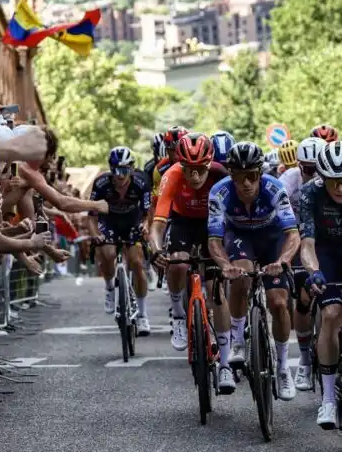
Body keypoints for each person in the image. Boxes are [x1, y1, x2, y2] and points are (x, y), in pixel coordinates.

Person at [207, 141, 300, 400]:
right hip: (239, 237)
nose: (246, 182)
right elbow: (214, 240)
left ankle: (282, 368)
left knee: (279, 302)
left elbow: (292, 235)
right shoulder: (219, 192)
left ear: (260, 174)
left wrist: (282, 260)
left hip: (272, 238)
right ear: (231, 176)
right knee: (240, 275)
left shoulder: (275, 188)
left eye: (252, 176)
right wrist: (225, 266)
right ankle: (238, 339)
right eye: (239, 176)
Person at [150, 133, 233, 392]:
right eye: (189, 170)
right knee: (177, 263)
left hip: (212, 224)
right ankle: (177, 312)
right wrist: (155, 250)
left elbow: (233, 216)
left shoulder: (221, 175)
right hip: (183, 221)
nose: (195, 177)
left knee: (216, 290)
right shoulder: (172, 175)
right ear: (180, 165)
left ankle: (226, 364)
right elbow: (158, 224)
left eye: (200, 171)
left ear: (209, 164)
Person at [299, 141, 342, 429]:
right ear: (322, 178)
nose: (339, 188)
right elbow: (307, 244)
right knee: (331, 314)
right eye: (333, 182)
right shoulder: (309, 193)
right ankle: (327, 401)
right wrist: (314, 271)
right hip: (325, 253)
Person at [89, 146, 152, 335]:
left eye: (124, 170)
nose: (120, 175)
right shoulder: (100, 184)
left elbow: (149, 213)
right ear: (110, 169)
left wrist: (146, 225)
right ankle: (109, 286)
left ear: (132, 169)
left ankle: (142, 315)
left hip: (133, 221)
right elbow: (91, 216)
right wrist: (94, 234)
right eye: (116, 170)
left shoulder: (141, 183)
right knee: (107, 253)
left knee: (136, 262)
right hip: (109, 222)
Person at [280, 136, 325, 391]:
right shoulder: (289, 181)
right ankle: (306, 360)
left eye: (319, 168)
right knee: (304, 296)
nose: (314, 174)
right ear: (299, 166)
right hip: (298, 235)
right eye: (308, 169)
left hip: (327, 236)